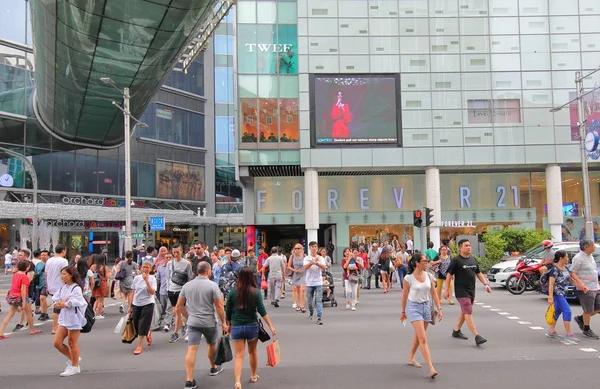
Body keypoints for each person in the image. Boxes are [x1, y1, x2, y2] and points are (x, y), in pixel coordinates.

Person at [178, 262, 227, 389]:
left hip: (193, 321)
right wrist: (224, 322)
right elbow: (219, 305)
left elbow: (179, 305)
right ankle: (213, 367)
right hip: (209, 321)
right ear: (208, 271)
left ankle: (189, 380)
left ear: (196, 271)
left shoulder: (187, 286)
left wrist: (189, 317)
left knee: (192, 349)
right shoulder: (212, 285)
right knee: (211, 344)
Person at [226, 267, 277, 389]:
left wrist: (228, 324)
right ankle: (253, 375)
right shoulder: (256, 292)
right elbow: (261, 310)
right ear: (251, 277)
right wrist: (271, 326)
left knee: (239, 355)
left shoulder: (233, 292)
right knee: (252, 352)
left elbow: (228, 310)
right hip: (252, 326)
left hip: (237, 326)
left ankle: (237, 381)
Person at [400, 253, 443, 379]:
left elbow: (434, 293)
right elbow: (404, 296)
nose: (426, 263)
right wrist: (402, 312)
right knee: (423, 338)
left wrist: (439, 308)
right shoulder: (409, 278)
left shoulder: (429, 275)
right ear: (417, 263)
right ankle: (431, 367)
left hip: (426, 307)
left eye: (426, 261)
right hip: (414, 308)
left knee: (419, 335)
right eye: (424, 261)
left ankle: (411, 357)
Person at [443, 239, 491, 346]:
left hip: (471, 290)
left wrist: (485, 284)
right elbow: (449, 274)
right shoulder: (456, 260)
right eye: (466, 245)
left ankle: (456, 331)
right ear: (460, 248)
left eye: (469, 245)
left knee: (465, 311)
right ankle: (476, 336)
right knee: (468, 311)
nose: (469, 247)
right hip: (461, 291)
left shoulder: (473, 259)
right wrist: (446, 290)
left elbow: (478, 273)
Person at [52, 266, 88, 377]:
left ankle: (75, 366)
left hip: (74, 318)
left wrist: (64, 303)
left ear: (71, 274)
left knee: (72, 343)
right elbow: (55, 299)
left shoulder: (76, 288)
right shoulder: (63, 287)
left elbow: (75, 301)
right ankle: (74, 359)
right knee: (57, 343)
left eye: (64, 274)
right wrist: (62, 303)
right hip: (64, 318)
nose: (62, 276)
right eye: (61, 274)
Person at [0, 260, 43, 339]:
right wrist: (23, 302)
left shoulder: (15, 275)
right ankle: (32, 329)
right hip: (22, 297)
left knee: (10, 314)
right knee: (29, 313)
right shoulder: (25, 277)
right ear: (27, 268)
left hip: (13, 296)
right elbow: (23, 291)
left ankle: (1, 331)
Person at [570, 238, 600, 339]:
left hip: (595, 286)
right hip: (586, 288)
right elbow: (572, 272)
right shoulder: (578, 258)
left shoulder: (590, 256)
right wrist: (580, 284)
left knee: (598, 306)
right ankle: (586, 329)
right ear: (586, 247)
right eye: (593, 245)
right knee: (588, 309)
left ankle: (580, 319)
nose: (594, 247)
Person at [546, 250, 578, 343]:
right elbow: (551, 284)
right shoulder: (554, 270)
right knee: (567, 311)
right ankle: (569, 334)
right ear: (561, 258)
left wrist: (580, 286)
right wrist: (550, 297)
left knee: (557, 311)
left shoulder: (566, 268)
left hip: (564, 293)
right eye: (566, 257)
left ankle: (551, 330)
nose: (568, 259)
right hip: (558, 293)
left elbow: (570, 280)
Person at [129, 260, 157, 355]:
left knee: (143, 323)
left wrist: (147, 282)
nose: (145, 269)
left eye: (147, 267)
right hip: (136, 303)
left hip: (148, 303)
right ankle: (147, 332)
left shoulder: (152, 279)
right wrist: (130, 305)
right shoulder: (136, 278)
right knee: (136, 324)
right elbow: (133, 291)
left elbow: (152, 292)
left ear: (151, 269)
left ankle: (139, 346)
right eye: (144, 267)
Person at [167, 243, 193, 343]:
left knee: (178, 309)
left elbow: (190, 278)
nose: (176, 254)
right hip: (171, 290)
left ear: (182, 251)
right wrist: (168, 289)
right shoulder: (170, 263)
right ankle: (189, 323)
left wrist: (188, 291)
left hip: (182, 290)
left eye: (177, 252)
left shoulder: (186, 264)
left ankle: (176, 332)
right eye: (174, 252)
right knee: (176, 311)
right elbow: (168, 276)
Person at [45, 244, 69, 334]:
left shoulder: (49, 261)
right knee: (58, 307)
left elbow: (46, 274)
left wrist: (47, 286)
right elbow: (65, 273)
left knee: (59, 306)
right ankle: (55, 327)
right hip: (60, 286)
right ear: (63, 251)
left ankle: (59, 326)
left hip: (51, 286)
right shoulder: (63, 261)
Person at [304, 241, 327, 325]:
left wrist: (316, 263)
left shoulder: (320, 258)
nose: (314, 248)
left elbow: (324, 267)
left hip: (318, 282)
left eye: (315, 246)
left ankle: (319, 317)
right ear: (309, 248)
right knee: (310, 301)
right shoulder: (306, 258)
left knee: (318, 300)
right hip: (309, 283)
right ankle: (311, 312)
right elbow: (305, 267)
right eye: (312, 246)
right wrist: (312, 262)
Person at [91, 254, 109, 319]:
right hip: (102, 283)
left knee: (96, 299)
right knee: (101, 300)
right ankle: (98, 314)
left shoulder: (93, 266)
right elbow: (107, 276)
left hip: (95, 283)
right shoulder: (104, 267)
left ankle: (93, 313)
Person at [36, 250, 50, 321]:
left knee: (42, 297)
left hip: (47, 284)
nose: (43, 256)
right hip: (39, 284)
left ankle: (44, 313)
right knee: (41, 299)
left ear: (48, 256)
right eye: (42, 255)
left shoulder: (50, 264)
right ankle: (44, 313)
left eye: (45, 255)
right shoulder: (38, 264)